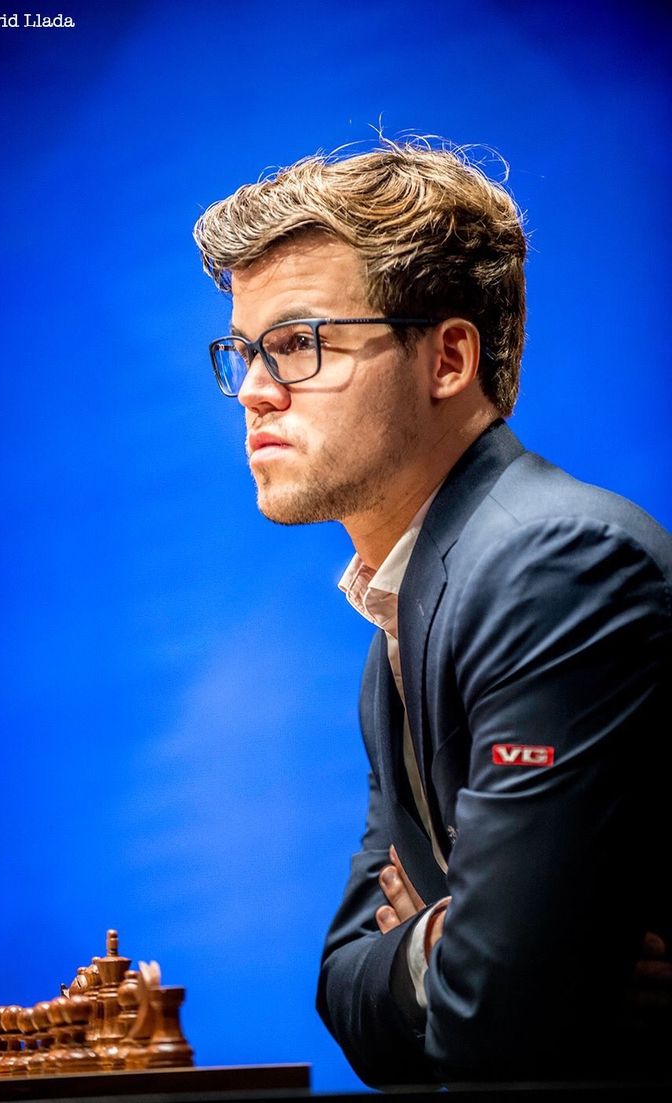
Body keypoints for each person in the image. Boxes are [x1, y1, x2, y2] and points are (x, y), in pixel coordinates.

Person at [192, 140, 672, 1086]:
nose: (253, 387)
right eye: (245, 351)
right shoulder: (405, 610)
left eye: (297, 342)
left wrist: (464, 937)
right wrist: (468, 929)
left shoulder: (556, 564)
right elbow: (344, 990)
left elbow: (500, 1016)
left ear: (448, 356)